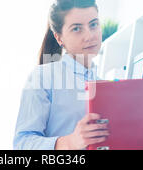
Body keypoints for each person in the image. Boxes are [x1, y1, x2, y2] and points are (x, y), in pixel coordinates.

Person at [14, 0, 109, 150]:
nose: (90, 36)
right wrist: (70, 142)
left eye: (93, 24)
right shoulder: (43, 76)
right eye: (77, 28)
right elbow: (22, 144)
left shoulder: (105, 85)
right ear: (59, 38)